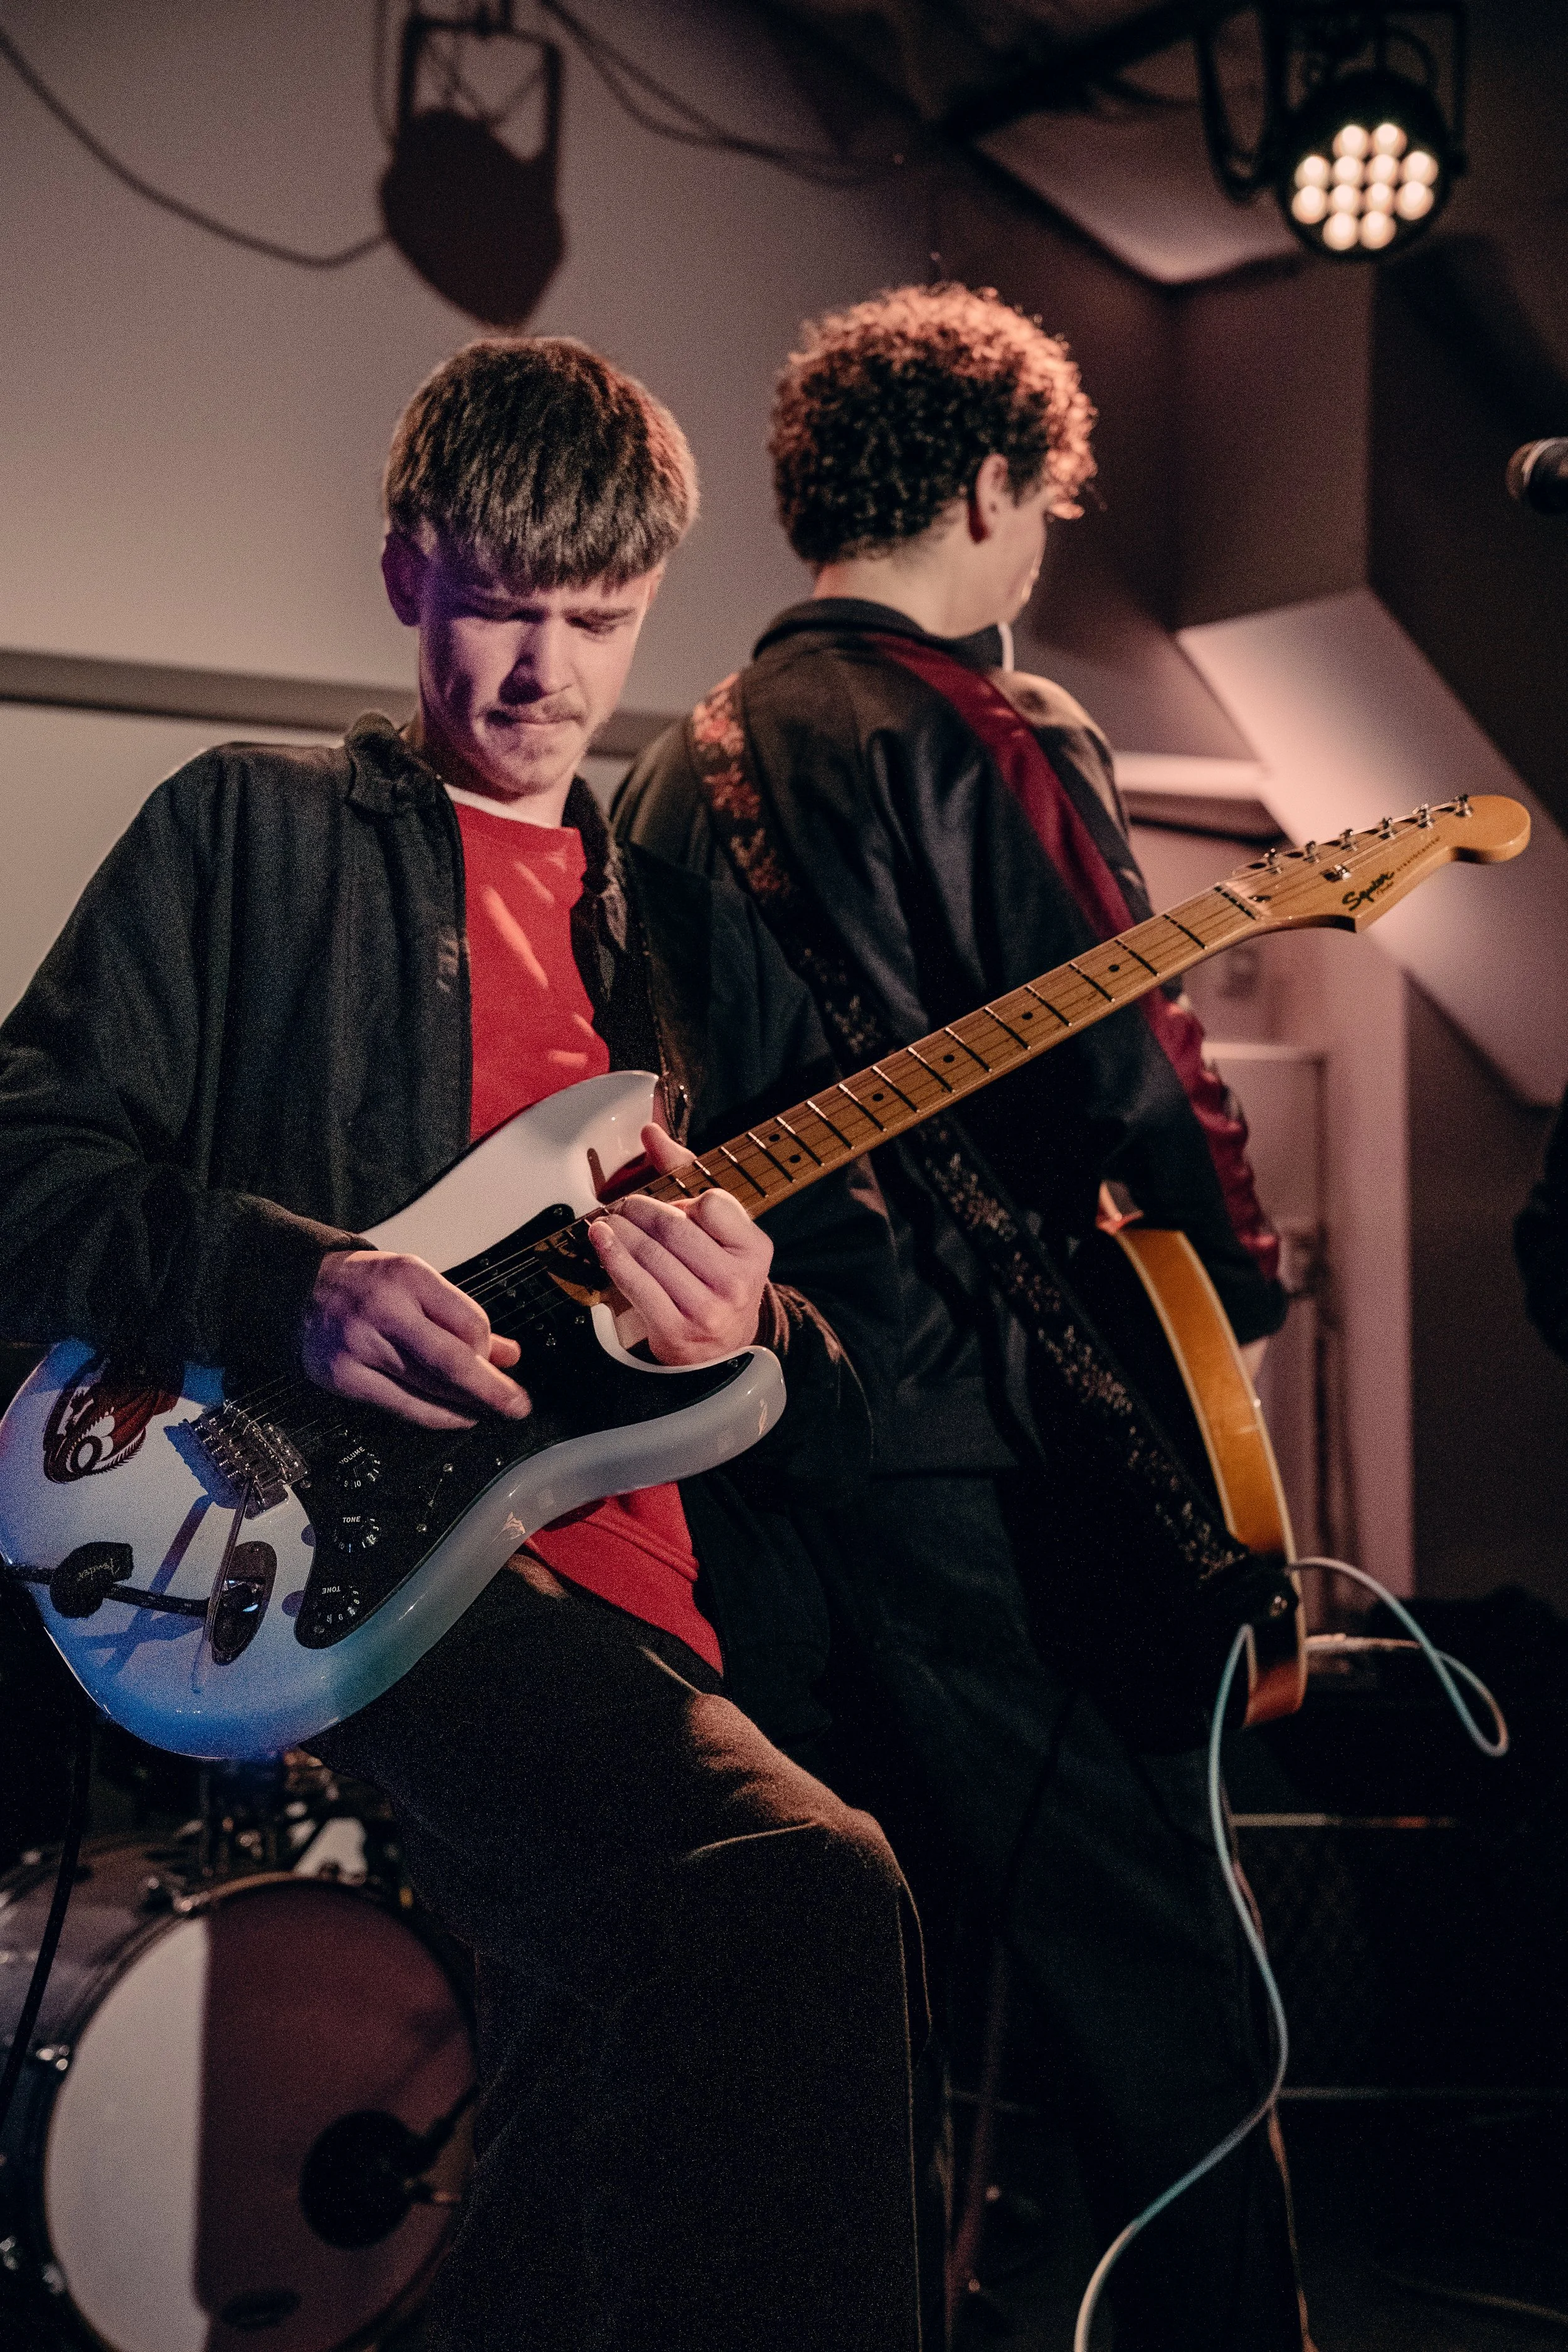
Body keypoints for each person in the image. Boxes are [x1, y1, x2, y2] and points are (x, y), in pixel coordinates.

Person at [0, 337, 926, 2352]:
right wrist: (288, 1284)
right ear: (410, 567)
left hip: (629, 1587)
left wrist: (735, 1320)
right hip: (309, 1553)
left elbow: (829, 1370)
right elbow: (25, 1160)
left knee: (634, 2076)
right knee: (791, 1884)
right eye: (499, 603)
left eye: (596, 621)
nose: (542, 673)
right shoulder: (248, 832)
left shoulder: (665, 927)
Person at [618, 283, 1310, 2349]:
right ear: (995, 487)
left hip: (751, 1456)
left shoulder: (668, 770)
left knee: (852, 2002)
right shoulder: (986, 727)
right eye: (1041, 510)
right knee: (1157, 1993)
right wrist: (1236, 1300)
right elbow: (1132, 1057)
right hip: (984, 1464)